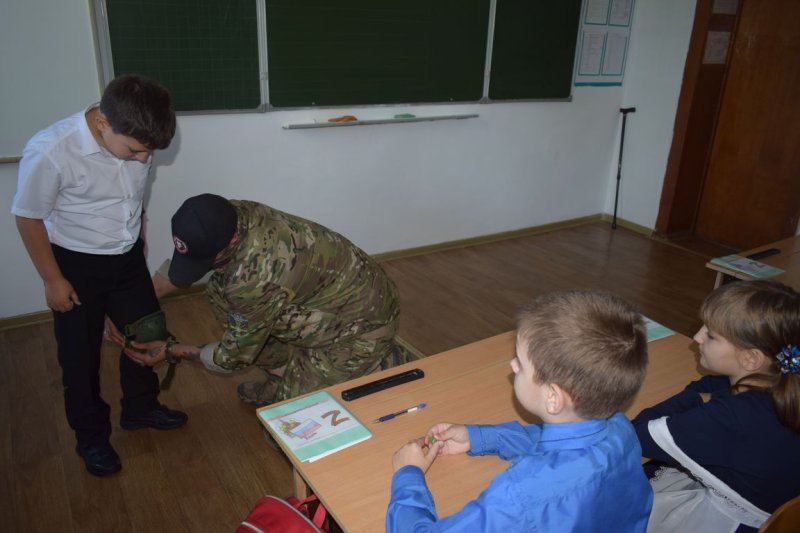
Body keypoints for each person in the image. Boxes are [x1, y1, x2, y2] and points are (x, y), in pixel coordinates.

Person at [11, 74, 187, 477]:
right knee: (80, 357)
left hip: (126, 256)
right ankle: (91, 438)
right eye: (135, 151)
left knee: (147, 331)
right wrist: (53, 280)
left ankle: (140, 408)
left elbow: (134, 197)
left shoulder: (135, 133)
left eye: (148, 153)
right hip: (74, 264)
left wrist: (139, 241)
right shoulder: (52, 150)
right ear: (103, 123)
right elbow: (28, 217)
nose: (143, 159)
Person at [386, 290, 653, 532]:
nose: (512, 365)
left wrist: (408, 474)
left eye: (521, 364)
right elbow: (554, 443)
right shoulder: (620, 428)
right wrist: (478, 437)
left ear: (553, 398)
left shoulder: (520, 496)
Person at [123, 193, 409, 405]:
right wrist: (130, 306)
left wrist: (171, 351)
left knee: (288, 430)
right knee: (222, 294)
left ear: (232, 241)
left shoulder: (254, 278)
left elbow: (234, 356)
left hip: (363, 324)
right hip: (337, 296)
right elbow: (187, 266)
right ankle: (282, 376)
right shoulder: (233, 214)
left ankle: (384, 362)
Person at [632, 280, 800, 532]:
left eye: (711, 335)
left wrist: (697, 398)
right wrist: (708, 395)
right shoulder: (779, 381)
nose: (697, 337)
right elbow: (714, 383)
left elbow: (638, 435)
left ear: (751, 358)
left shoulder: (731, 418)